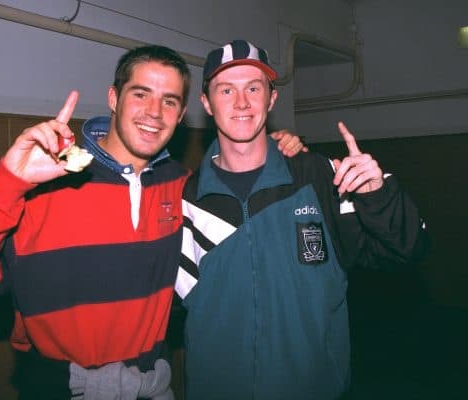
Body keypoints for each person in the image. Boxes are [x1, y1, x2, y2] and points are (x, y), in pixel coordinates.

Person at [0, 44, 303, 399]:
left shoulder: (183, 188)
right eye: (141, 94)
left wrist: (273, 150)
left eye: (169, 101)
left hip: (154, 388)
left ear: (182, 115)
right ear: (114, 98)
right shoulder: (45, 183)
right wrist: (8, 182)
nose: (154, 112)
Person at [175, 39, 429, 399]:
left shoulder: (319, 176)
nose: (242, 102)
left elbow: (407, 251)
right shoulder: (185, 199)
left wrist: (377, 195)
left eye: (253, 88)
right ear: (206, 104)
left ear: (272, 99)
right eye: (226, 89)